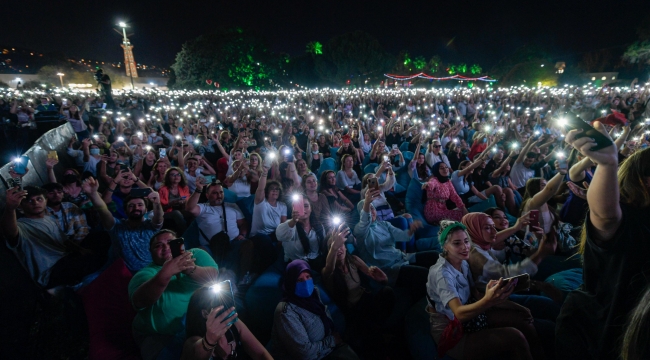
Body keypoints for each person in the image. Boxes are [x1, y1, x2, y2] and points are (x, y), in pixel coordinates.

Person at [556, 126, 650, 359]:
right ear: (646, 181)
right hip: (602, 331)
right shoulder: (627, 218)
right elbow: (605, 215)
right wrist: (607, 164)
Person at [426, 220, 537, 359]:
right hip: (453, 330)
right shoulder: (442, 274)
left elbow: (476, 295)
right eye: (457, 243)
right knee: (515, 337)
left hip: (471, 316)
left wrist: (517, 307)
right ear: (445, 246)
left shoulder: (463, 263)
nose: (465, 247)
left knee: (523, 319)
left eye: (466, 241)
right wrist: (488, 301)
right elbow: (459, 313)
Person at [128, 229, 219, 360]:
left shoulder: (196, 255)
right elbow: (139, 301)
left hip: (201, 326)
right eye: (158, 246)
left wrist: (191, 269)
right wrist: (166, 272)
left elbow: (214, 277)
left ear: (180, 244)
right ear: (151, 253)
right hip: (160, 336)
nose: (165, 247)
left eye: (171, 242)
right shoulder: (145, 274)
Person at [1, 185, 109, 288]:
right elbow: (10, 232)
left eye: (39, 199)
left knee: (102, 237)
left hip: (66, 257)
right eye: (29, 201)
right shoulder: (22, 225)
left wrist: (81, 250)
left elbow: (65, 241)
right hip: (50, 271)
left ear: (45, 201)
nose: (35, 203)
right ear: (21, 206)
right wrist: (10, 208)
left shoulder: (49, 219)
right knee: (94, 260)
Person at [322, 226, 395, 358]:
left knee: (387, 292)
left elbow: (371, 274)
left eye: (341, 245)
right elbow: (329, 268)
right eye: (333, 247)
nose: (339, 249)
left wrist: (383, 279)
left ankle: (379, 328)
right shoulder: (329, 272)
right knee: (368, 334)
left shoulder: (353, 260)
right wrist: (334, 246)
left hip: (366, 299)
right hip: (353, 311)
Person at [354, 189, 436, 300]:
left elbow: (403, 236)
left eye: (372, 208)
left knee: (434, 256)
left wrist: (411, 230)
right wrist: (367, 202)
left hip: (402, 258)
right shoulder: (360, 231)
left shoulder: (384, 224)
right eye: (368, 209)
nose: (371, 211)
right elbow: (365, 220)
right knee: (424, 274)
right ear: (361, 214)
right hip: (391, 269)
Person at [270, 260, 359, 360]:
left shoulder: (314, 292)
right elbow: (304, 354)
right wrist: (332, 341)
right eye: (299, 280)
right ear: (291, 283)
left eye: (308, 277)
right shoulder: (285, 312)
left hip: (330, 347)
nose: (306, 283)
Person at [83, 176, 164, 273]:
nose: (136, 208)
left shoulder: (151, 226)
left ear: (146, 210)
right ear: (125, 211)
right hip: (121, 274)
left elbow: (158, 217)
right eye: (131, 206)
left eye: (140, 205)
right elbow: (103, 210)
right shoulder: (117, 226)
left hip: (147, 273)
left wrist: (157, 203)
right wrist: (93, 194)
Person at [181, 285, 272, 360]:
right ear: (205, 313)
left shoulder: (233, 323)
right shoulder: (192, 342)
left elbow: (261, 354)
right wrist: (210, 340)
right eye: (217, 303)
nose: (223, 306)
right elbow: (198, 356)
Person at [276, 195, 327, 269]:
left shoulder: (318, 226)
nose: (303, 209)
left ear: (311, 208)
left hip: (316, 261)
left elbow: (323, 245)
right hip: (296, 263)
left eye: (306, 206)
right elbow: (279, 236)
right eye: (298, 206)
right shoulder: (289, 225)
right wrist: (293, 221)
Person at [158, 167, 192, 235]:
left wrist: (184, 202)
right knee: (176, 213)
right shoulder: (162, 189)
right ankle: (184, 235)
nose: (176, 176)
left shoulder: (184, 188)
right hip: (167, 212)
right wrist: (172, 203)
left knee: (192, 213)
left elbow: (188, 199)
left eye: (178, 174)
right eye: (173, 175)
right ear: (168, 177)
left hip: (182, 210)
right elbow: (160, 208)